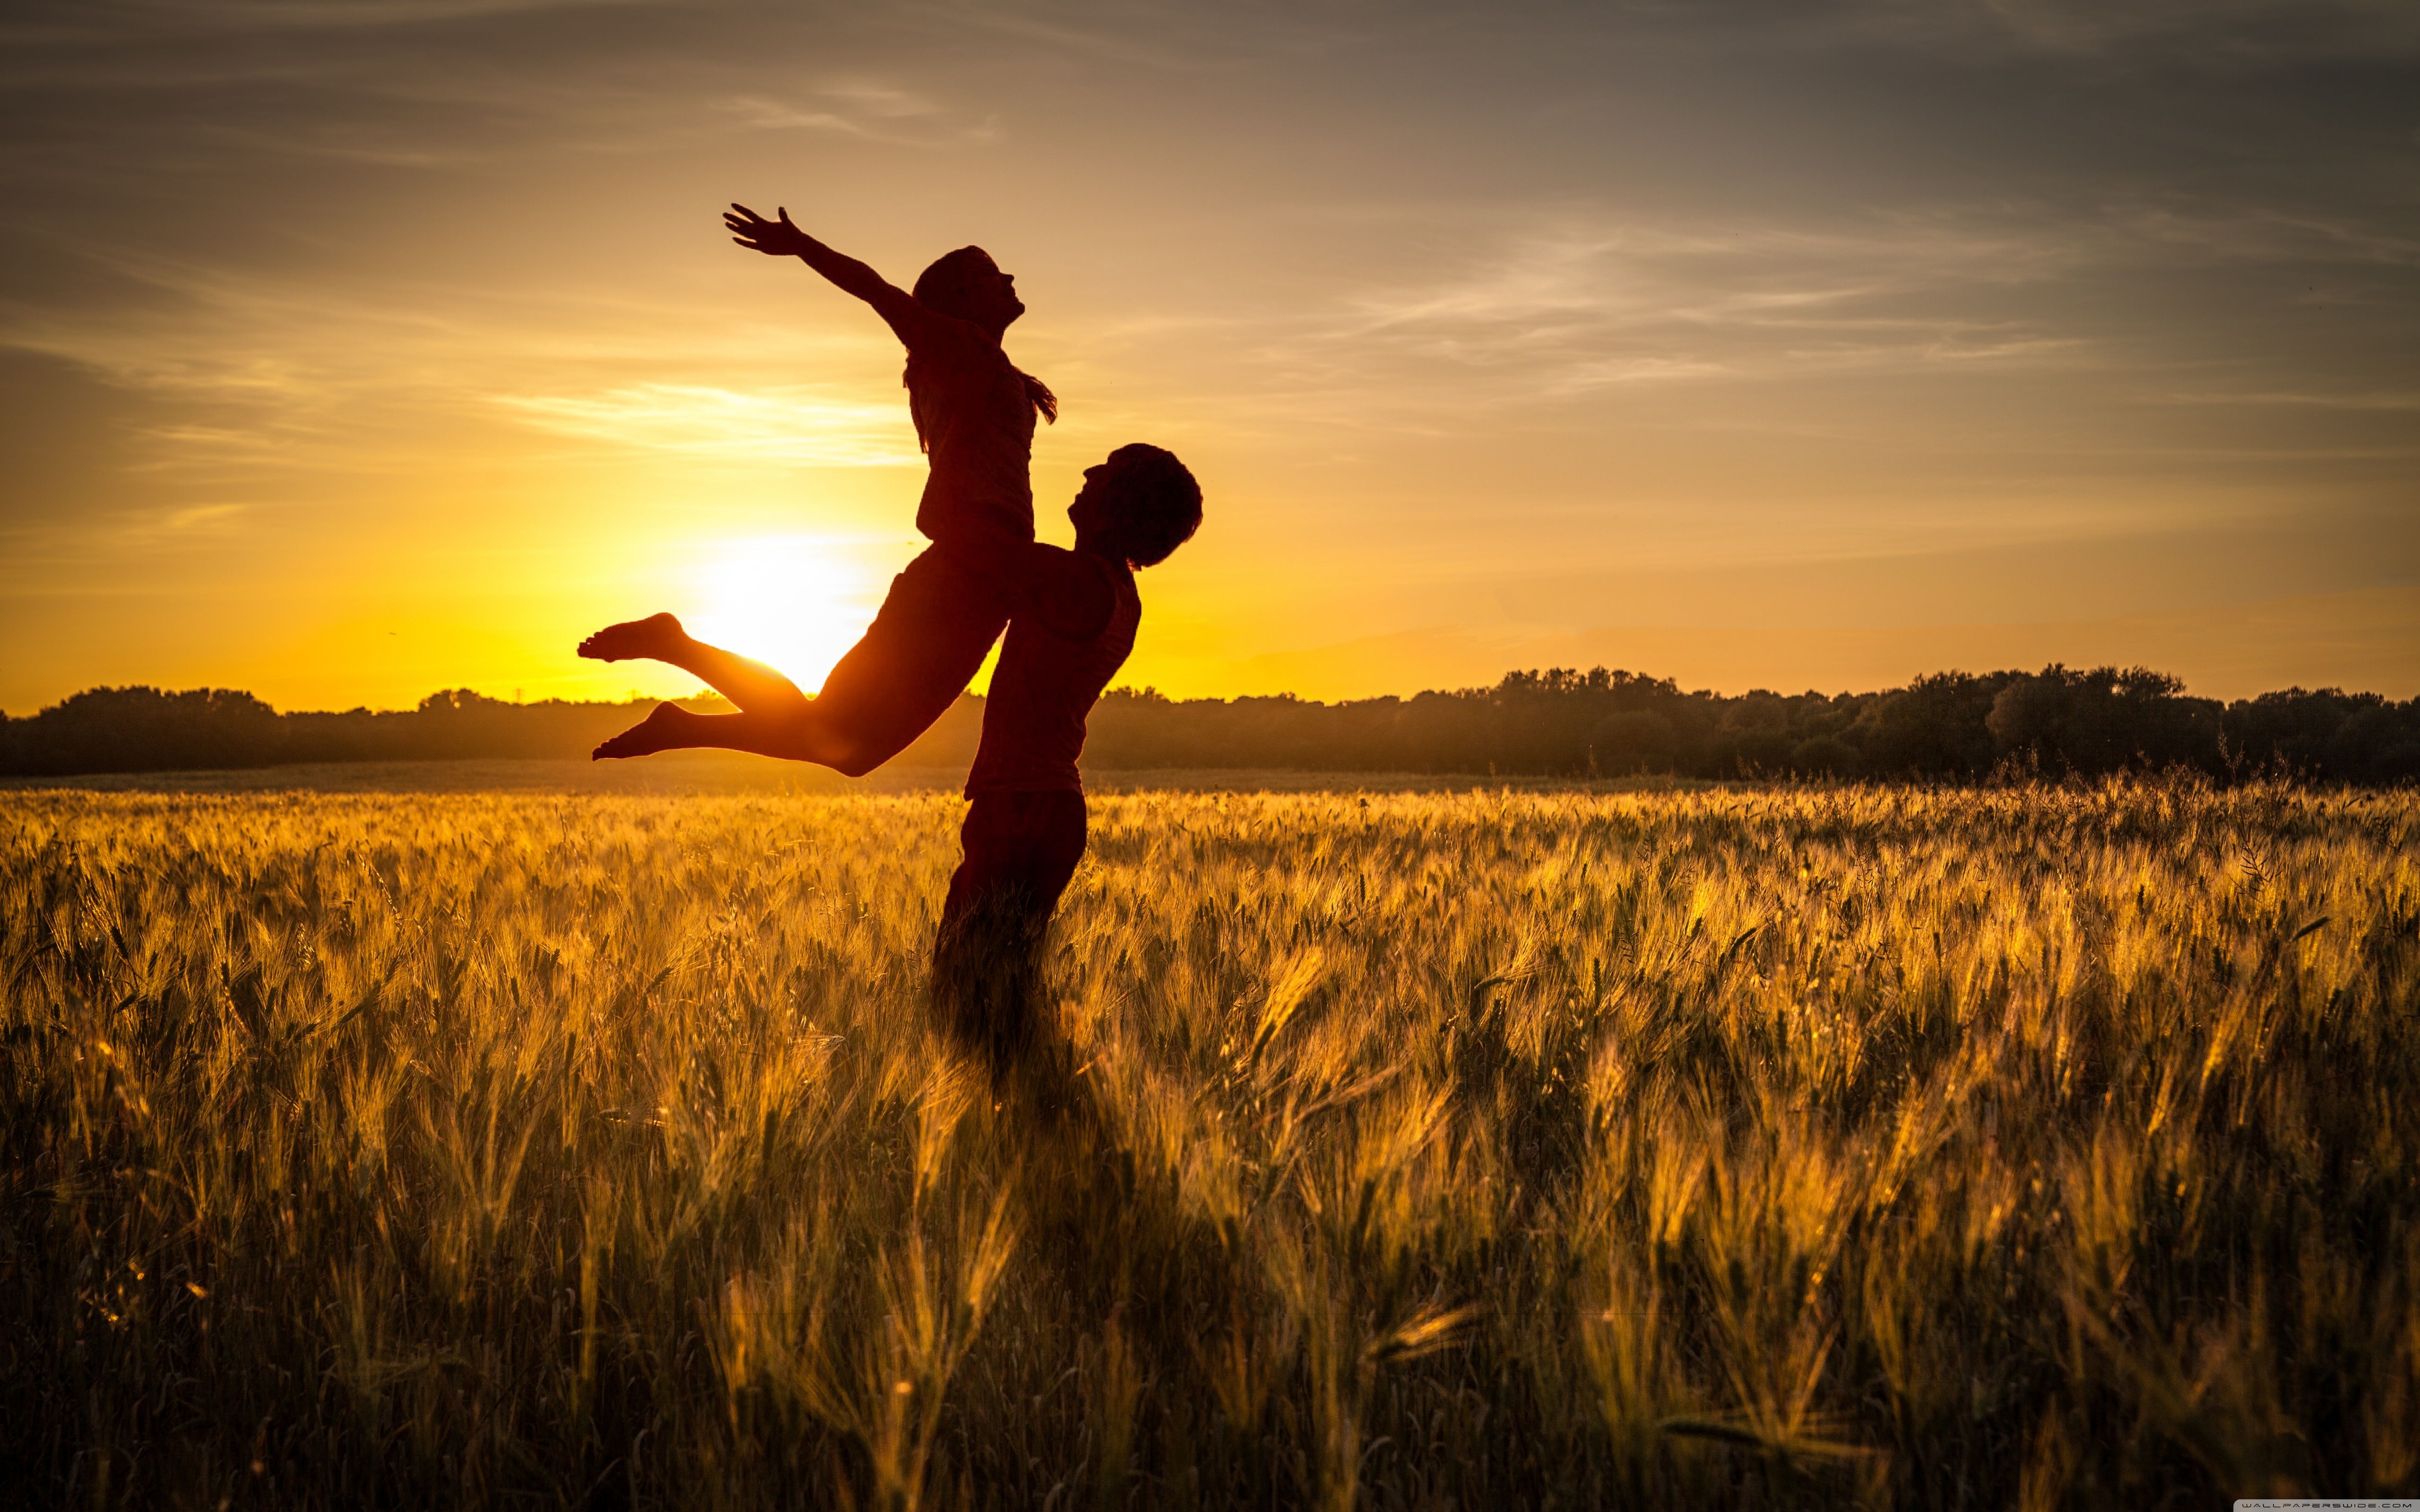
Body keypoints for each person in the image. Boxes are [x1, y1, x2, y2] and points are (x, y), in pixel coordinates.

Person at [580, 204, 1054, 773]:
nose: (1008, 279)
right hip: (965, 568)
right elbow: (875, 290)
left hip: (989, 573)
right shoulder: (951, 347)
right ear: (961, 299)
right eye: (990, 274)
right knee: (836, 732)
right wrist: (802, 245)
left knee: (853, 749)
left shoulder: (985, 366)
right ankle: (674, 649)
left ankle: (679, 714)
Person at [929, 443, 1202, 1076]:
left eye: (1105, 471)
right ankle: (1044, 1116)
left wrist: (974, 427)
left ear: (1121, 504)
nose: (1086, 473)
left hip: (1024, 809)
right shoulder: (1109, 590)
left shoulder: (1078, 584)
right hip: (1037, 807)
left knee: (970, 996)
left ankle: (1036, 1118)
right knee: (993, 992)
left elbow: (963, 538)